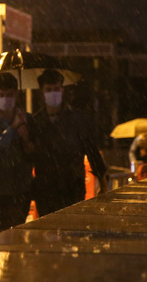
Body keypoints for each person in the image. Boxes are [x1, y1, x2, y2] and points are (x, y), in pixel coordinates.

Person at [30, 69, 107, 216]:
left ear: (62, 90)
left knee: (70, 231)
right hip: (45, 189)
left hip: (72, 187)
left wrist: (102, 182)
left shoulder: (78, 120)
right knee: (47, 233)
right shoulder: (35, 122)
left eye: (56, 89)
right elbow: (29, 156)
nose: (53, 93)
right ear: (42, 92)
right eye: (49, 89)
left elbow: (91, 151)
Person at [0, 72, 34, 234]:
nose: (5, 99)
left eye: (9, 95)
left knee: (17, 235)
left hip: (20, 187)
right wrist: (12, 128)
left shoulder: (26, 118)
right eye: (1, 95)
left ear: (16, 94)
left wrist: (25, 139)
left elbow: (33, 152)